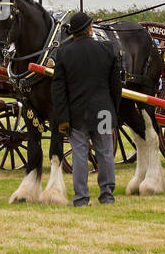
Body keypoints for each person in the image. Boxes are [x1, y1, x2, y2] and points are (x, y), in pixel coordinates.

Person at [51, 11, 123, 207]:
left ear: (73, 33)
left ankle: (81, 198)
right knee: (106, 153)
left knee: (80, 155)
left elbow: (58, 90)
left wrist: (62, 117)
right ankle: (107, 194)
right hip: (104, 109)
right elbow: (116, 86)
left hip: (77, 112)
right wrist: (114, 109)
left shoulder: (64, 53)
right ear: (90, 28)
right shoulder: (107, 49)